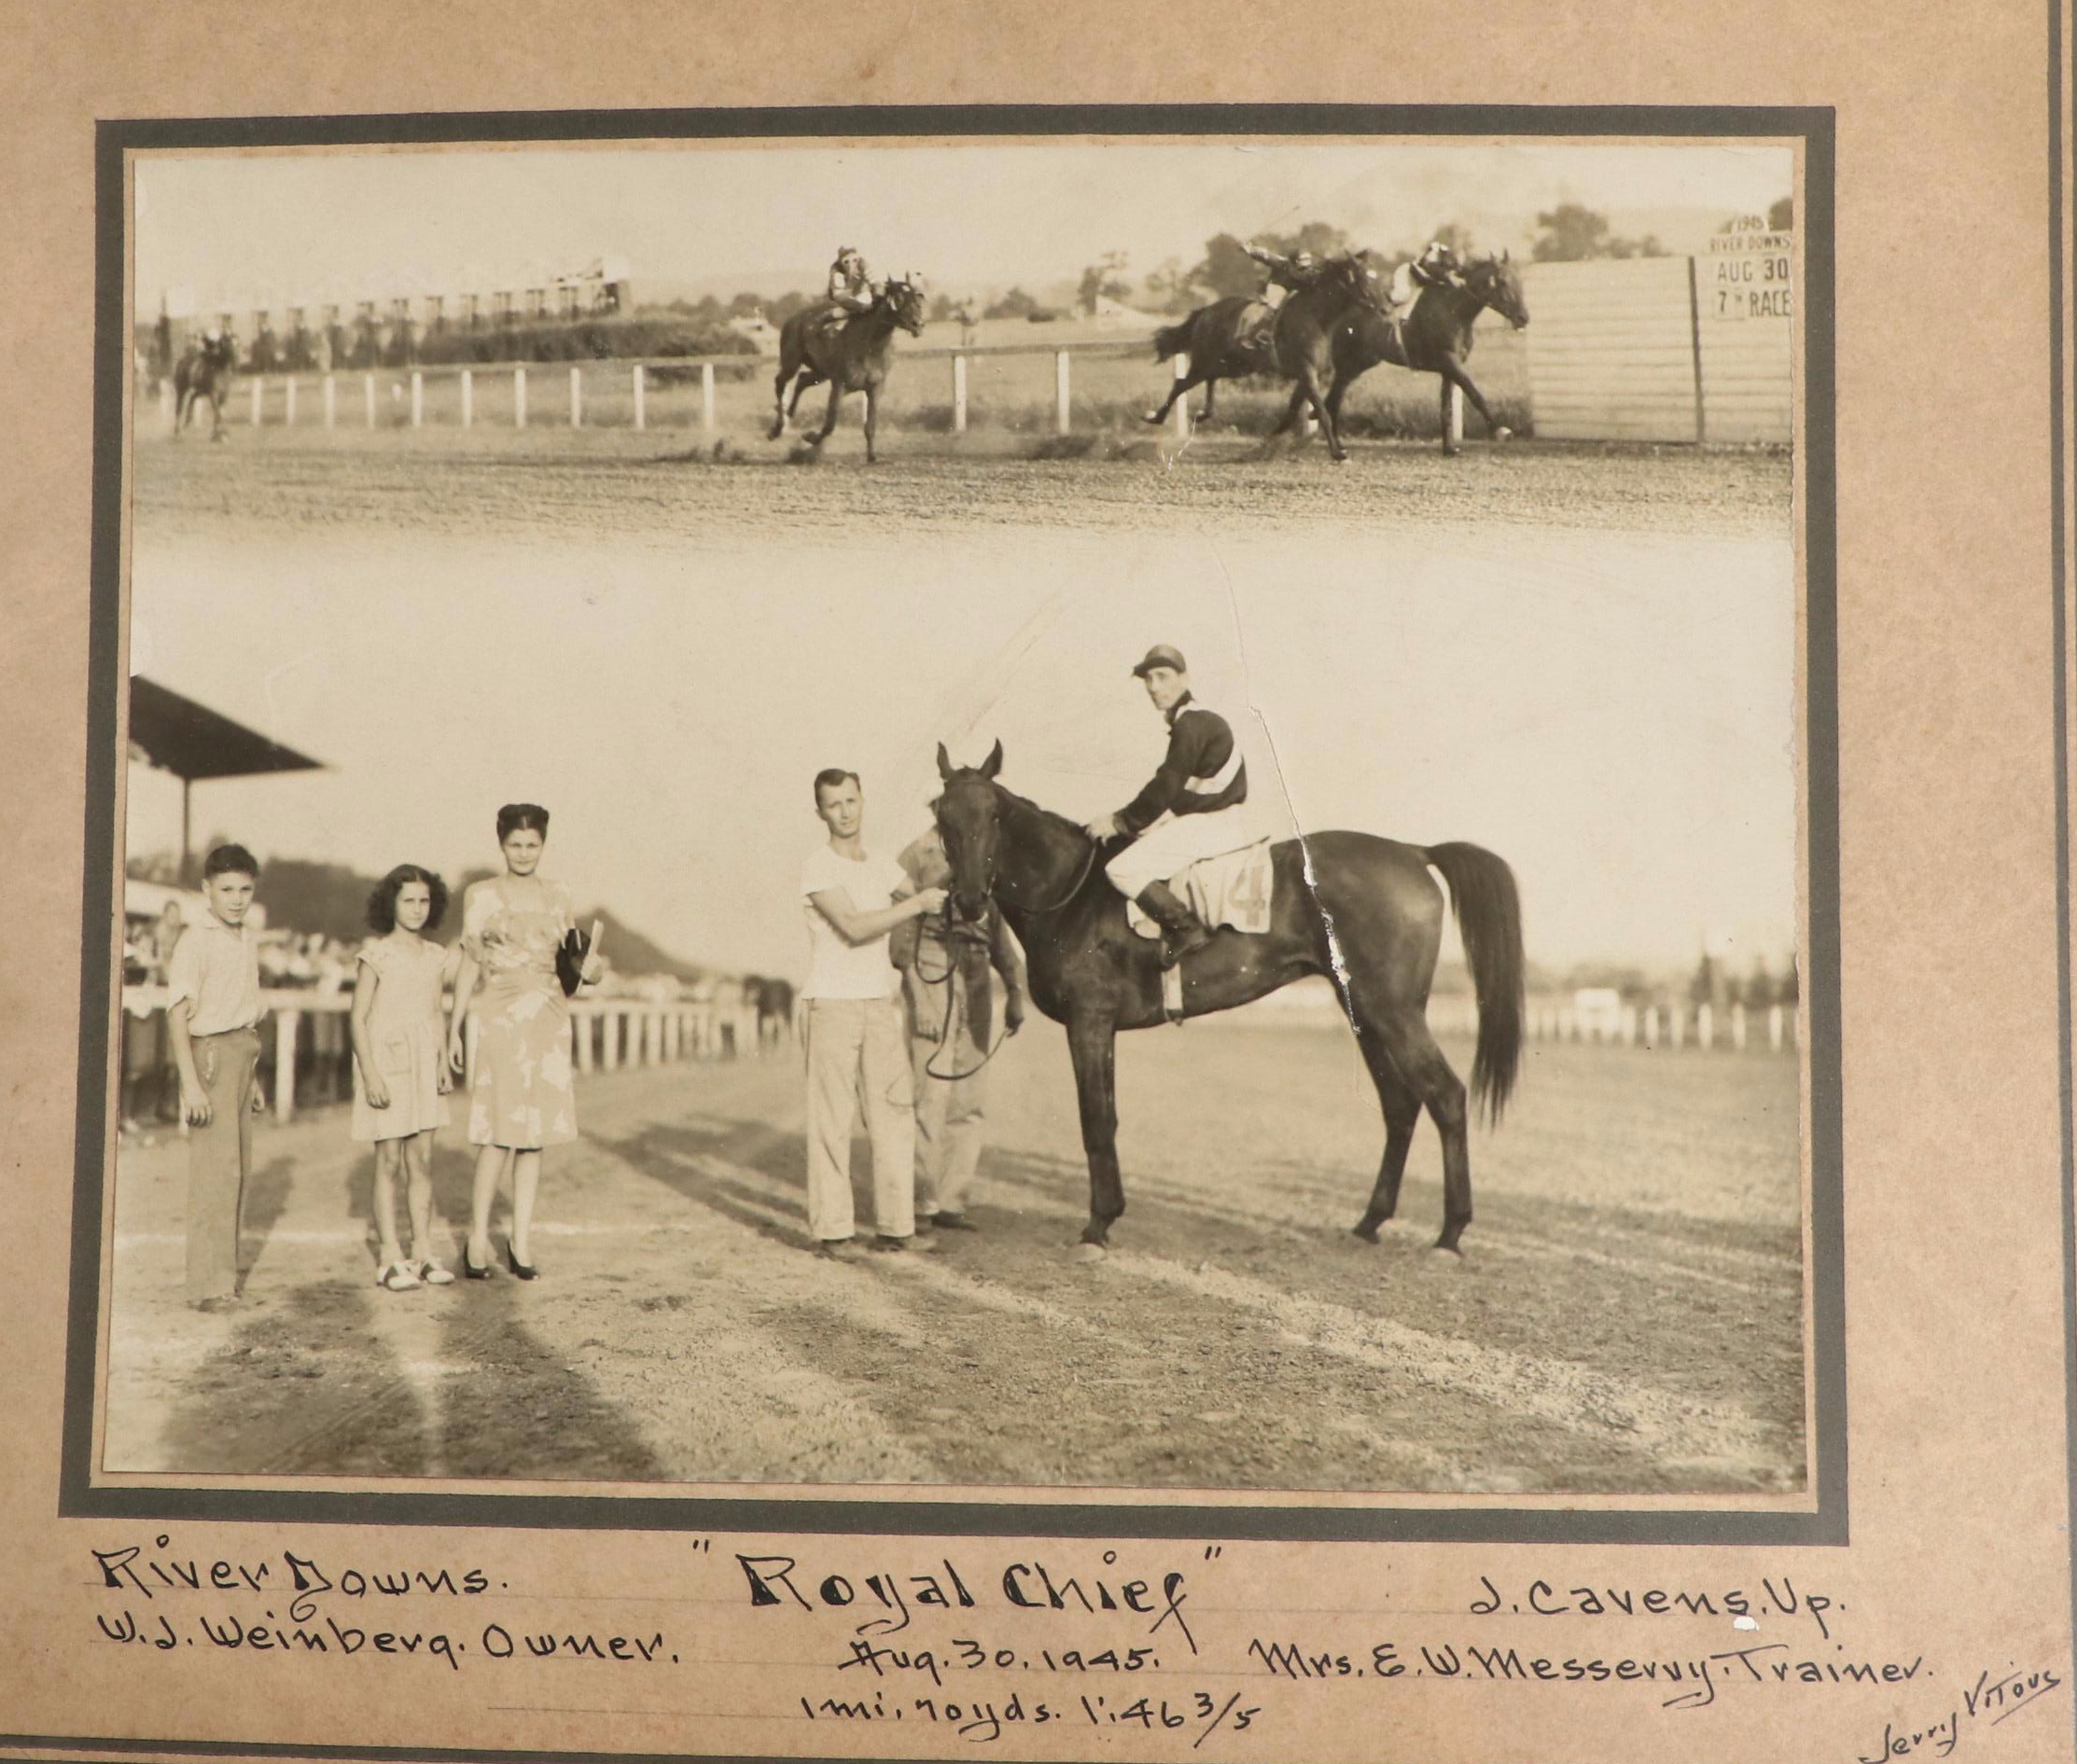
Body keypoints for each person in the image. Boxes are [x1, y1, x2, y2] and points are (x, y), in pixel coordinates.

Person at [445, 804, 599, 1282]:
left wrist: (591, 972)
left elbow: (571, 965)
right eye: (516, 844)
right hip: (502, 1014)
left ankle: (521, 1239)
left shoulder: (558, 895)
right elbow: (471, 961)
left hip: (550, 1016)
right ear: (501, 844)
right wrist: (453, 1027)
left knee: (535, 1137)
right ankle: (475, 1238)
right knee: (498, 1131)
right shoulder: (482, 894)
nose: (524, 853)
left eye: (533, 845)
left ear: (544, 845)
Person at [800, 769, 947, 1258]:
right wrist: (919, 904)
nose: (845, 812)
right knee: (833, 1121)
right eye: (834, 804)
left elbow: (932, 892)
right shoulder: (818, 867)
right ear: (820, 812)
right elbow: (856, 928)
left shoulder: (882, 863)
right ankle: (834, 1231)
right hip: (833, 1005)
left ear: (863, 801)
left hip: (880, 1004)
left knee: (894, 1116)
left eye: (851, 801)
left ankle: (896, 1226)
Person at [891, 823, 1026, 1234]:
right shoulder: (918, 852)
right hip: (932, 959)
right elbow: (903, 931)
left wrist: (1016, 990)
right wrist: (917, 992)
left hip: (978, 968)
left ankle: (952, 1201)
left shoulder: (985, 850)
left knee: (970, 1096)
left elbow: (1000, 930)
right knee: (929, 1090)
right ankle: (922, 1200)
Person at [1084, 646, 1252, 967]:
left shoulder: (1192, 723)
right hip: (1210, 820)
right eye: (1148, 679)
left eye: (1162, 676)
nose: (1153, 687)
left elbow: (1165, 785)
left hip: (1214, 826)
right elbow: (1180, 795)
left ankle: (1186, 931)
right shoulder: (1194, 722)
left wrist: (1119, 821)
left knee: (1120, 869)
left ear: (1184, 679)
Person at [164, 844, 269, 1312]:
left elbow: (243, 1012)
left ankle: (223, 1281)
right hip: (209, 1057)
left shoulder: (246, 937)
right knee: (214, 1174)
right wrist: (191, 1084)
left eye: (245, 889)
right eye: (227, 889)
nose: (237, 898)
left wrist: (255, 1077)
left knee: (238, 1173)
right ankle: (207, 1287)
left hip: (242, 1054)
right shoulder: (196, 939)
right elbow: (177, 1015)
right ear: (206, 889)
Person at [351, 865, 458, 1292]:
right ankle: (390, 1255)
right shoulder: (376, 955)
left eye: (424, 901)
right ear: (391, 904)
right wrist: (370, 1073)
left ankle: (423, 1251)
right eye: (408, 900)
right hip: (387, 1065)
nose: (417, 909)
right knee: (390, 1160)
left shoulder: (435, 956)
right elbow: (357, 1018)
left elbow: (435, 1011)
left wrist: (442, 1061)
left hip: (422, 1065)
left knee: (423, 1162)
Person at [1388, 240, 1462, 313]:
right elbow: (1431, 267)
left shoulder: (1445, 257)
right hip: (1407, 274)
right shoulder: (1434, 252)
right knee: (1405, 294)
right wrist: (1449, 276)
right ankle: (1388, 307)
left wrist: (1454, 277)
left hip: (1418, 278)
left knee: (1417, 297)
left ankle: (1401, 316)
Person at [825, 246, 876, 316]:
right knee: (836, 314)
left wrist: (878, 296)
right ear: (840, 261)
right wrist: (859, 306)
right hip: (842, 300)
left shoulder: (863, 264)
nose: (851, 264)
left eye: (854, 260)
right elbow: (838, 296)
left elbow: (875, 283)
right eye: (846, 262)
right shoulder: (836, 269)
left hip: (862, 293)